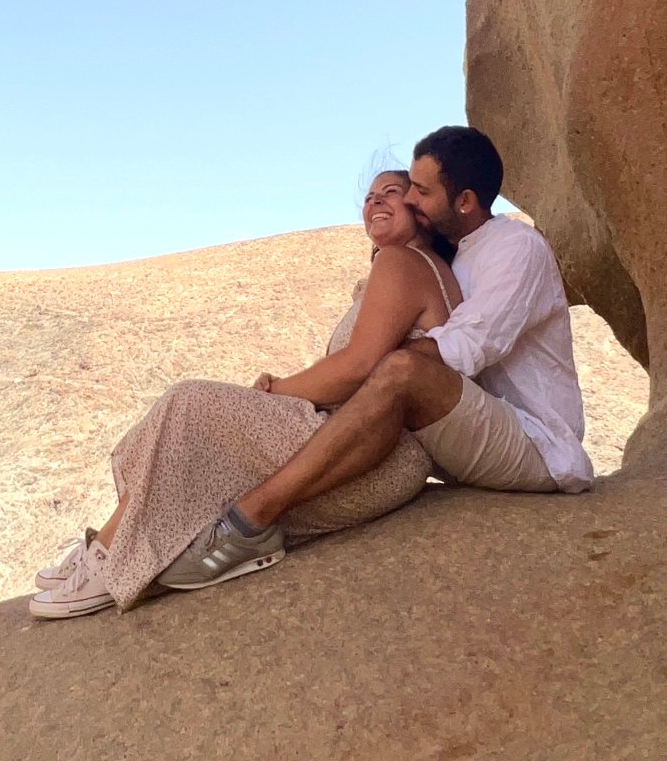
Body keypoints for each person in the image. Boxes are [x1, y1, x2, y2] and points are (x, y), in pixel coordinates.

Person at [158, 125, 593, 593]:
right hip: (463, 432)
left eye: (420, 192)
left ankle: (247, 523)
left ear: (464, 202)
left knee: (402, 371)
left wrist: (361, 366)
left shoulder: (516, 248)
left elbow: (470, 345)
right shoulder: (455, 256)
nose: (410, 202)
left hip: (536, 442)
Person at [28, 168, 460, 619]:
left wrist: (277, 391)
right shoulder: (417, 270)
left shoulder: (404, 262)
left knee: (190, 405)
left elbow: (357, 367)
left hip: (376, 451)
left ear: (422, 208)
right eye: (370, 197)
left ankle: (112, 560)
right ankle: (111, 546)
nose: (375, 202)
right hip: (366, 454)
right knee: (201, 438)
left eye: (392, 192)